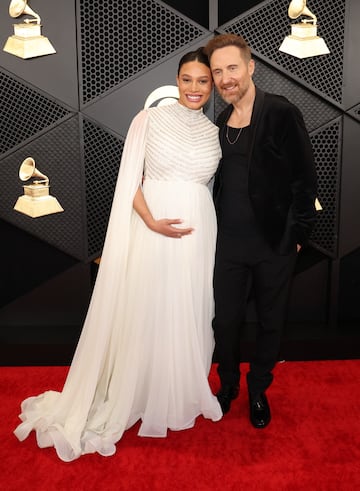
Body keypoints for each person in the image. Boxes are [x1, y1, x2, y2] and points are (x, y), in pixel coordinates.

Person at [14, 48, 223, 461]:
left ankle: (177, 390)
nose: (195, 88)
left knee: (188, 308)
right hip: (154, 229)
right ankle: (139, 390)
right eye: (187, 79)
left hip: (200, 233)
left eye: (203, 81)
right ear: (176, 81)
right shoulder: (150, 119)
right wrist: (152, 222)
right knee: (150, 307)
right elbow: (129, 181)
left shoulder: (214, 132)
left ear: (212, 85)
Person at [204, 34, 317, 428]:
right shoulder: (220, 123)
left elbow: (306, 179)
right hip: (228, 247)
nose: (224, 78)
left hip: (273, 245)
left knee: (271, 323)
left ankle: (257, 390)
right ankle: (229, 385)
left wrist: (296, 236)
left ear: (250, 67)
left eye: (231, 68)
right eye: (217, 72)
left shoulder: (281, 112)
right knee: (226, 323)